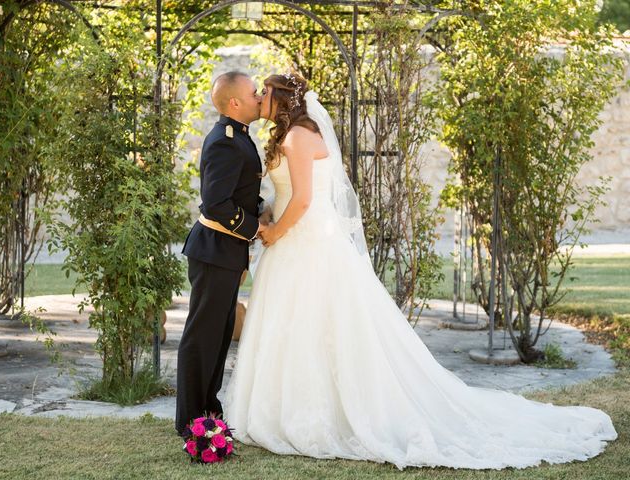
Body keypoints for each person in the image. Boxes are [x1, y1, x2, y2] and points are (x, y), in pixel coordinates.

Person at [223, 71, 617, 469]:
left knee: (317, 326)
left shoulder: (297, 137)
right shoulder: (290, 136)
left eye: (265, 93)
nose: (259, 98)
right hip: (295, 243)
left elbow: (306, 200)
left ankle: (317, 414)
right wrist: (270, 214)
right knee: (297, 328)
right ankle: (287, 406)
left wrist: (273, 233)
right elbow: (288, 192)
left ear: (281, 99)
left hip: (306, 243)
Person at [175, 71, 265, 436]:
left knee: (219, 334)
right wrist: (258, 228)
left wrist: (260, 208)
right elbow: (217, 205)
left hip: (225, 252)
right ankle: (191, 421)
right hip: (214, 251)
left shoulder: (239, 137)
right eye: (254, 93)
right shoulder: (225, 141)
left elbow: (238, 191)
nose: (260, 98)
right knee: (202, 337)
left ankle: (208, 411)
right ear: (235, 103)